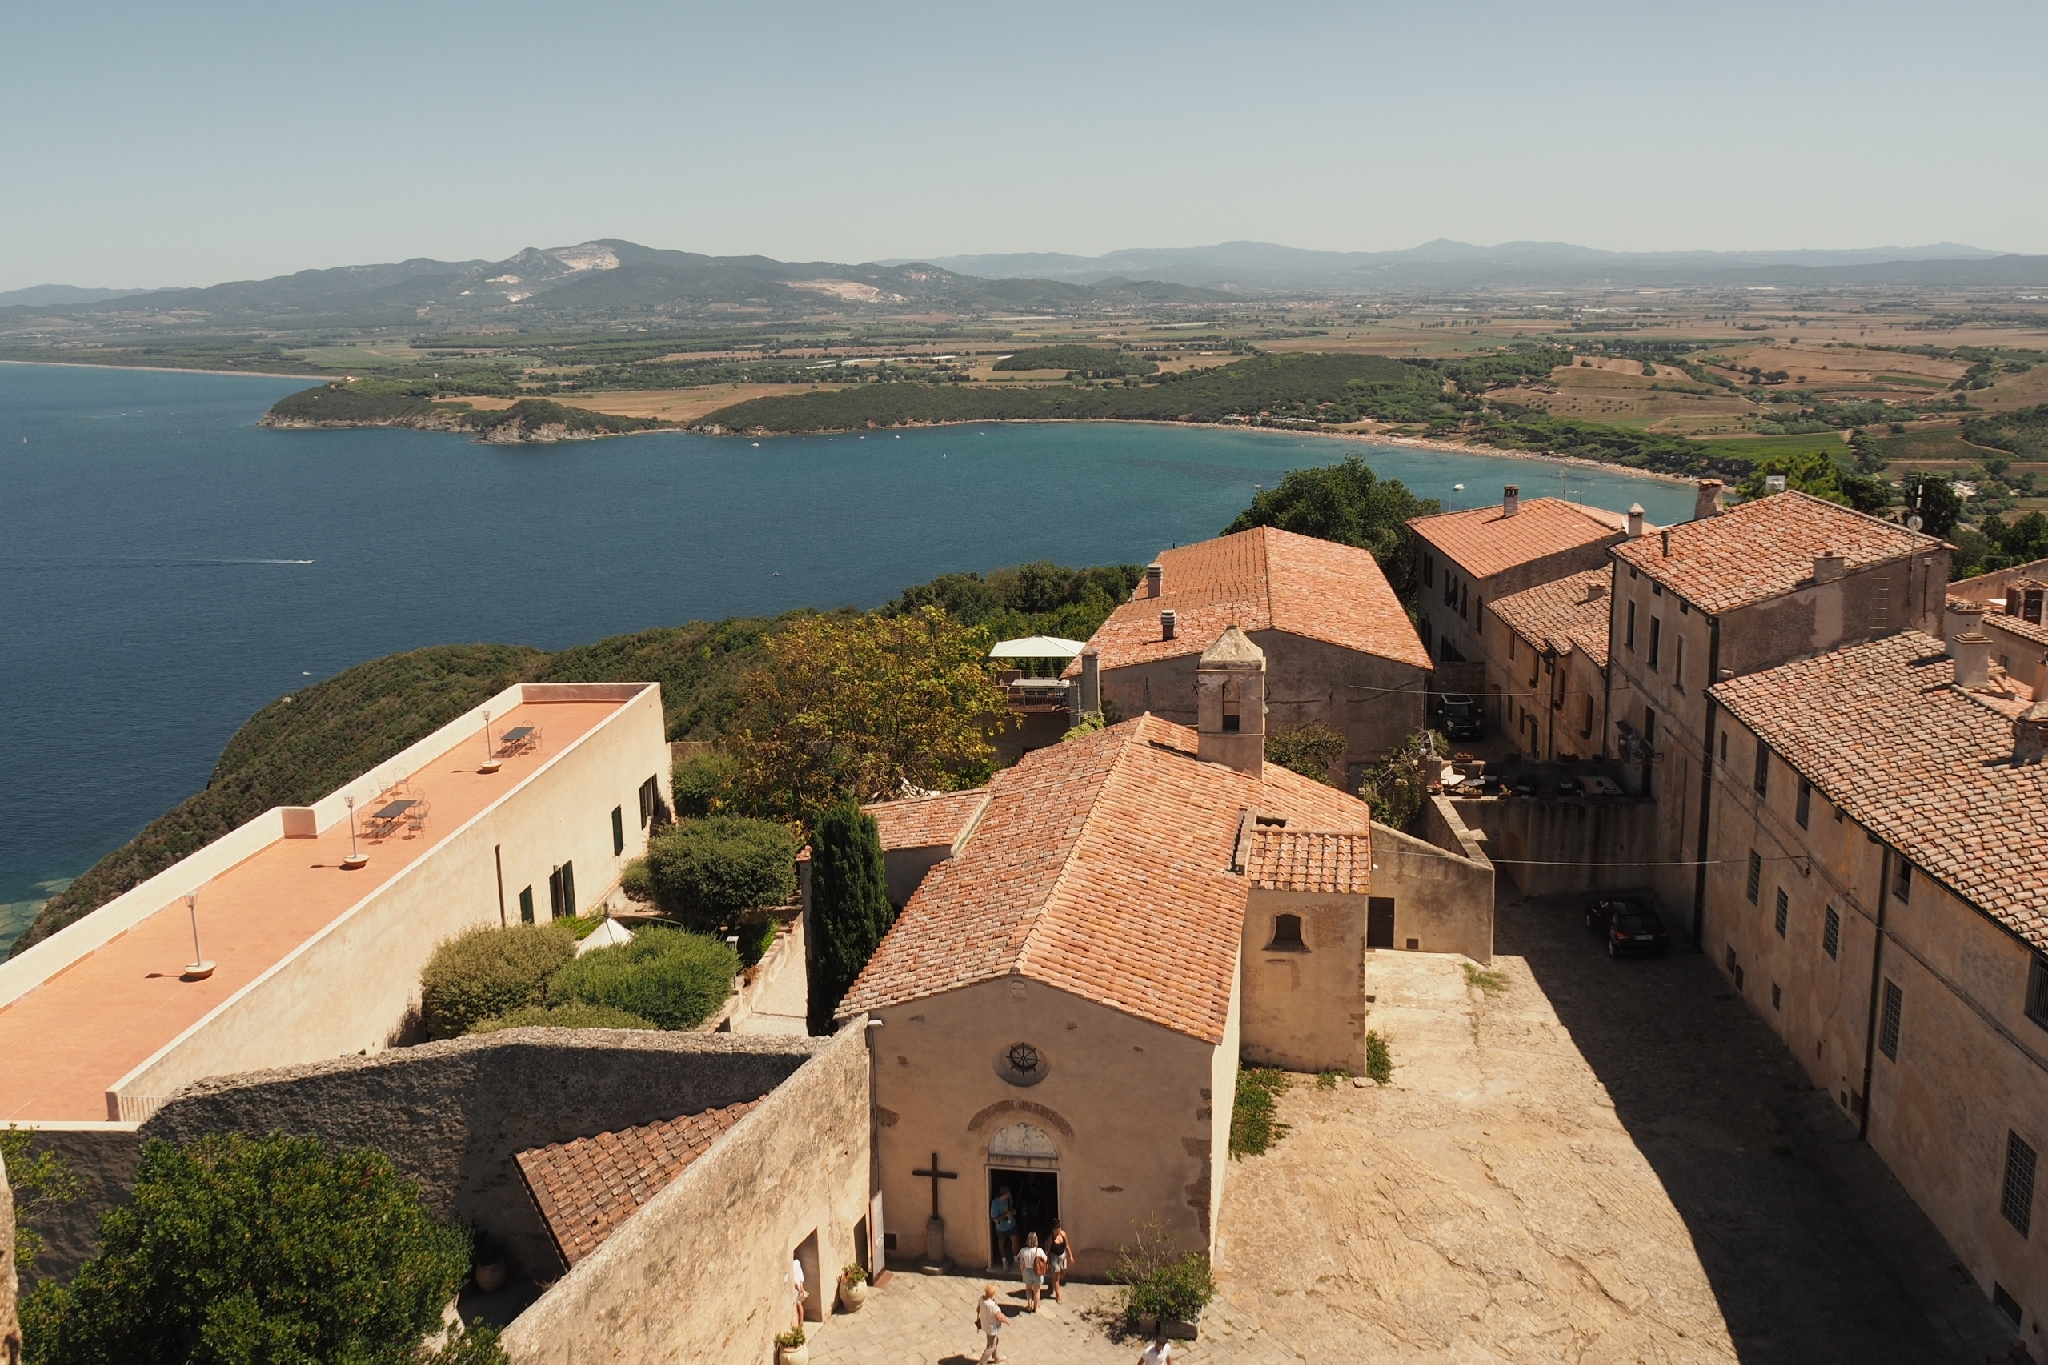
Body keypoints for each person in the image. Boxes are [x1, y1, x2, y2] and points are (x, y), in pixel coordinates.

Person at [976, 1282, 1006, 1364]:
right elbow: (999, 1317)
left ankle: (996, 1357)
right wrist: (1007, 1321)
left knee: (995, 1341)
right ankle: (981, 1362)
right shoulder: (992, 1306)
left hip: (985, 1324)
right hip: (992, 1328)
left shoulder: (982, 1299)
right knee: (991, 1346)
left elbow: (978, 1309)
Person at [1017, 1232, 1048, 1311]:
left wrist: (1022, 1272)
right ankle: (1035, 1307)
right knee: (1037, 1290)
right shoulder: (1039, 1251)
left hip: (1027, 1271)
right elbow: (1045, 1260)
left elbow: (1021, 1263)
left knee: (1028, 1289)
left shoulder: (1023, 1251)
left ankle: (1029, 1305)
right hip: (1037, 1272)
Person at [989, 1185, 1018, 1267]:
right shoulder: (995, 1203)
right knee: (1001, 1244)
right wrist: (1005, 1215)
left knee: (1015, 1241)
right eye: (1008, 1193)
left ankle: (1016, 1259)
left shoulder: (1009, 1199)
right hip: (1001, 1228)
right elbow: (994, 1218)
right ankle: (1004, 1260)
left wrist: (1012, 1211)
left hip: (1011, 1224)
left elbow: (1011, 1206)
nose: (1010, 1194)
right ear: (1003, 1194)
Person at [1048, 1221, 1074, 1303]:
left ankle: (1054, 1281)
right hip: (1054, 1258)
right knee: (1056, 1277)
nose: (1058, 1231)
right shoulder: (1050, 1238)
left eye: (1059, 1229)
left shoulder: (1063, 1234)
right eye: (1056, 1230)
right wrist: (1047, 1261)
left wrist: (1070, 1256)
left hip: (1062, 1256)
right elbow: (1048, 1250)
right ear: (1053, 1230)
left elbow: (1067, 1245)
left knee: (1063, 1273)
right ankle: (1058, 1295)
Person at [790, 1256, 807, 1329]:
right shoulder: (797, 1263)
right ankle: (801, 1321)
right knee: (799, 1305)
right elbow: (801, 1275)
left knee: (797, 1305)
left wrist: (798, 1288)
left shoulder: (792, 1264)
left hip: (795, 1288)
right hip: (799, 1287)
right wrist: (801, 1287)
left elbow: (793, 1278)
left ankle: (799, 1322)